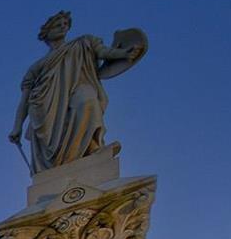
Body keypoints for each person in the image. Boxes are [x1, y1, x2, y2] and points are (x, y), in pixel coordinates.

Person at [8, 11, 148, 171]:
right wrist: (17, 126)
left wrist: (124, 53)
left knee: (88, 101)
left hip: (76, 90)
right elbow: (25, 100)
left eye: (65, 24)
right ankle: (64, 162)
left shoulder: (83, 42)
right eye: (58, 24)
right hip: (45, 107)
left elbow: (104, 52)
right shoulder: (36, 67)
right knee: (81, 106)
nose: (63, 26)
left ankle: (92, 148)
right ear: (47, 32)